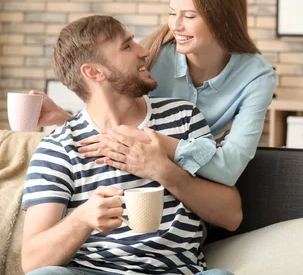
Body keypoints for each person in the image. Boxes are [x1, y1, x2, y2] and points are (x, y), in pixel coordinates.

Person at [22, 15, 239, 275]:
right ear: (94, 72)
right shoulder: (58, 149)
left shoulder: (183, 118)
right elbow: (32, 261)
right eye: (127, 46)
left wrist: (162, 170)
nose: (144, 51)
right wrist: (82, 218)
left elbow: (231, 215)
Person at [36, 0, 276, 187]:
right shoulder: (152, 55)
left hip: (197, 182)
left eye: (189, 16)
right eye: (172, 13)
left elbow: (227, 169)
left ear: (222, 19)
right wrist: (64, 120)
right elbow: (115, 120)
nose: (175, 25)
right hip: (139, 176)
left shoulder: (257, 77)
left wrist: (155, 141)